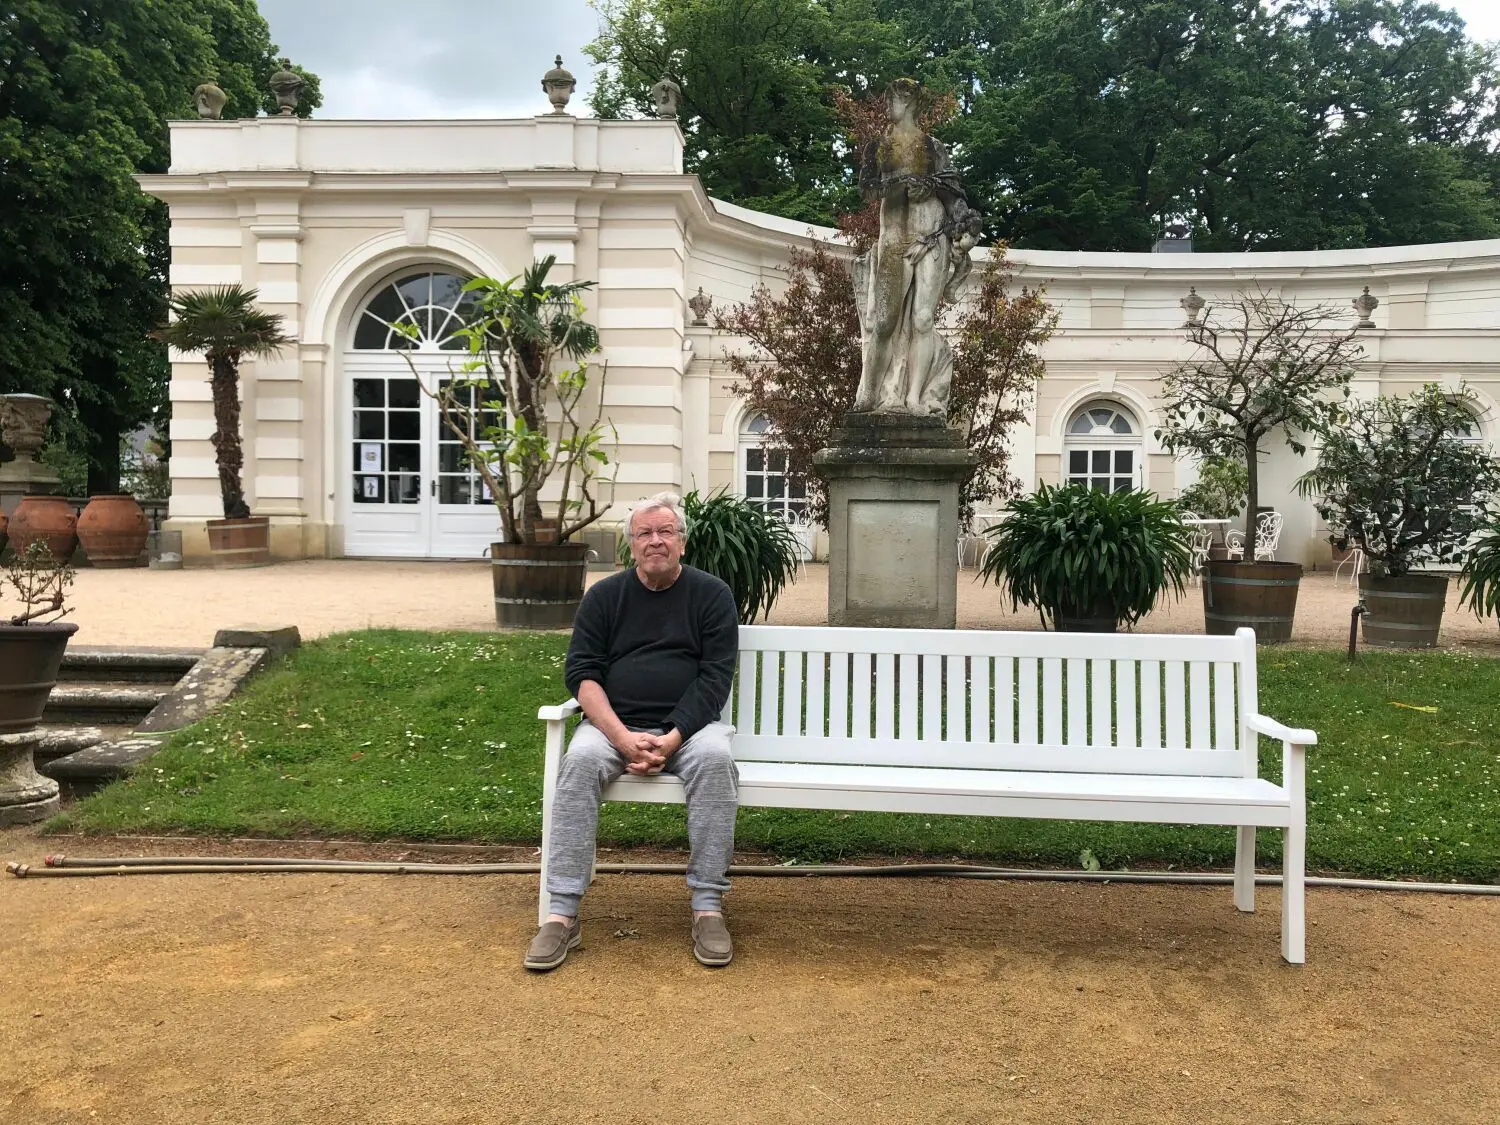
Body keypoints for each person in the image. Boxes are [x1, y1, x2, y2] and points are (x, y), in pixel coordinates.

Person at [524, 492, 740, 971]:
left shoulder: (712, 595)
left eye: (666, 532)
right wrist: (621, 738)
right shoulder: (605, 597)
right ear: (631, 545)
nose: (655, 541)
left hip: (690, 730)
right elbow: (582, 675)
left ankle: (708, 906)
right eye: (645, 533)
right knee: (579, 762)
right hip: (612, 727)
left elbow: (715, 678)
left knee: (715, 761)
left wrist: (672, 737)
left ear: (683, 542)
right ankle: (561, 914)